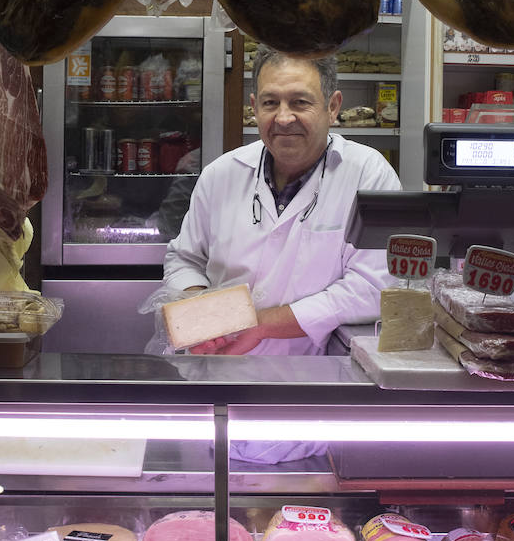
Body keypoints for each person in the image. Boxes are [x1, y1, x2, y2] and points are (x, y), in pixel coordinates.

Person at [161, 45, 401, 355]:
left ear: (332, 107)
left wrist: (262, 324)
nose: (283, 118)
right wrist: (202, 313)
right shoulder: (221, 174)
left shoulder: (369, 175)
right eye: (270, 103)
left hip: (309, 373)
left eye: (300, 102)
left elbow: (374, 286)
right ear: (254, 107)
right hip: (217, 365)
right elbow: (185, 259)